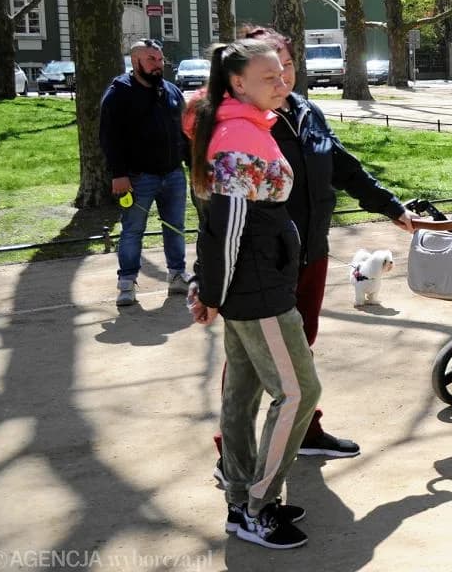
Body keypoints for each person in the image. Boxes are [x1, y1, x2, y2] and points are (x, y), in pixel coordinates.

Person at [258, 27, 416, 459]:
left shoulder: (307, 111)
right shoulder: (244, 124)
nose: (282, 77)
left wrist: (391, 207)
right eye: (271, 69)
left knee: (302, 346)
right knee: (254, 362)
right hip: (265, 262)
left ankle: (306, 432)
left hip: (311, 253)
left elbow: (344, 167)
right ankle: (231, 450)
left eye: (287, 65)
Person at [186, 38, 318, 550]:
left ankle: (243, 497)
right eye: (269, 77)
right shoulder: (238, 136)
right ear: (237, 83)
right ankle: (259, 505)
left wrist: (211, 287)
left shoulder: (241, 127)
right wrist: (211, 292)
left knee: (241, 395)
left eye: (283, 73)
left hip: (253, 286)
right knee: (301, 392)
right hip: (257, 292)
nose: (281, 82)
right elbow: (226, 228)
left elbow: (222, 226)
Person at [100, 38, 189, 306]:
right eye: (151, 59)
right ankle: (127, 282)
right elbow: (109, 138)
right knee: (132, 231)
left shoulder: (171, 91)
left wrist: (191, 165)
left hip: (173, 175)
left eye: (160, 59)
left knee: (175, 228)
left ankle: (177, 276)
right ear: (135, 61)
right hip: (138, 177)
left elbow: (184, 133)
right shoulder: (119, 94)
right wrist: (118, 174)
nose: (158, 65)